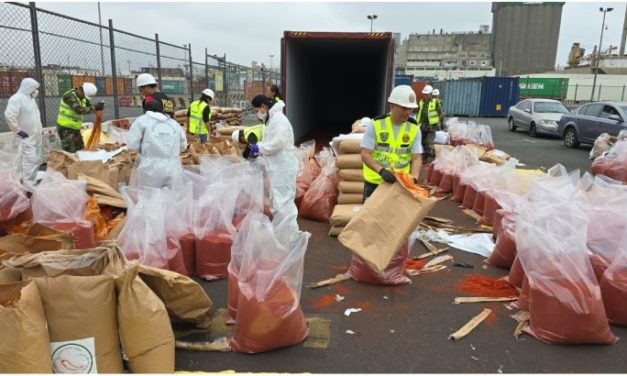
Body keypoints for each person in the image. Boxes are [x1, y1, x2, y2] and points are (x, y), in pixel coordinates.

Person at [361, 85, 423, 202]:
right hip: (375, 182)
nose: (408, 112)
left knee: (395, 219)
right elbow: (365, 154)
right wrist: (381, 170)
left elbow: (416, 158)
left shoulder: (414, 128)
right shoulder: (376, 124)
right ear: (392, 105)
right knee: (370, 219)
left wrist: (414, 178)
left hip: (400, 184)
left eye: (410, 109)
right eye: (404, 108)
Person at [250, 94, 299, 235]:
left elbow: (278, 143)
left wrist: (258, 149)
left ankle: (290, 237)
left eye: (256, 110)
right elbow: (271, 141)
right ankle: (282, 235)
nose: (257, 114)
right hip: (278, 168)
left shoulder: (279, 120)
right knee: (278, 203)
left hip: (283, 168)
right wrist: (259, 148)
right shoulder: (272, 120)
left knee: (284, 204)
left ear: (264, 107)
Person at [126, 99, 187, 189]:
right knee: (171, 197)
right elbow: (183, 146)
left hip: (150, 168)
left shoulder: (141, 121)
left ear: (146, 110)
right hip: (173, 167)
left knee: (149, 197)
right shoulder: (174, 123)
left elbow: (132, 145)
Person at [4, 78, 43, 185]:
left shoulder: (30, 97)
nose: (34, 91)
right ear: (27, 87)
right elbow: (9, 115)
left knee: (36, 159)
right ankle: (28, 185)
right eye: (32, 88)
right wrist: (18, 130)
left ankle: (29, 182)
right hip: (25, 136)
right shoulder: (16, 99)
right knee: (30, 160)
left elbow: (35, 94)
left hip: (36, 135)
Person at [57, 82, 104, 153]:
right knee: (70, 152)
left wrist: (98, 109)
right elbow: (79, 110)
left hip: (75, 129)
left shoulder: (82, 97)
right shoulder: (69, 96)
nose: (85, 98)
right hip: (65, 129)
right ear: (81, 90)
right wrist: (95, 107)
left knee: (81, 150)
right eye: (85, 96)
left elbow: (90, 106)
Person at [416, 85, 442, 163]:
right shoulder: (421, 102)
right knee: (421, 141)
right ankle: (424, 157)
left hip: (432, 126)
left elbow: (440, 114)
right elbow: (419, 113)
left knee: (428, 142)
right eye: (424, 94)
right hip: (423, 125)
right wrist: (417, 123)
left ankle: (427, 159)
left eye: (427, 94)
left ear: (431, 94)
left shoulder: (435, 102)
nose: (425, 96)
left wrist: (437, 123)